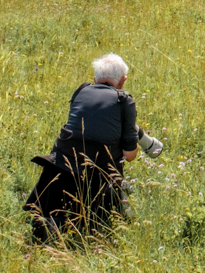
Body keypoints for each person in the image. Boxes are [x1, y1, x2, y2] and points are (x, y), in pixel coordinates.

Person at [25, 53, 163, 242]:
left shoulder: (81, 91)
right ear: (123, 81)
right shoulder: (124, 101)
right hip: (97, 179)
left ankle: (49, 231)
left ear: (95, 78)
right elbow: (129, 155)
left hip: (59, 170)